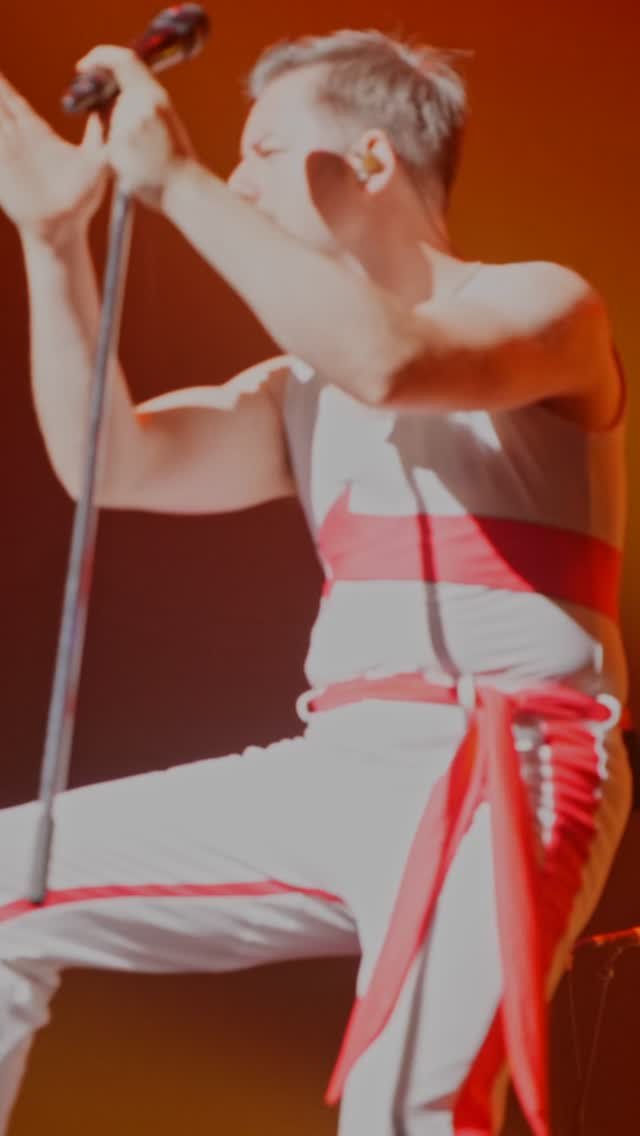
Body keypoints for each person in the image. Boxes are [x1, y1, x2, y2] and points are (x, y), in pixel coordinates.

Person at [0, 29, 632, 1136]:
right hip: (339, 767)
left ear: (372, 161)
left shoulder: (546, 304)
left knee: (408, 1106)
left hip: (504, 764)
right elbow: (114, 462)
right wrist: (54, 243)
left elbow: (391, 362)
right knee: (10, 877)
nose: (239, 178)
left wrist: (179, 181)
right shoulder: (297, 388)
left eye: (264, 150)